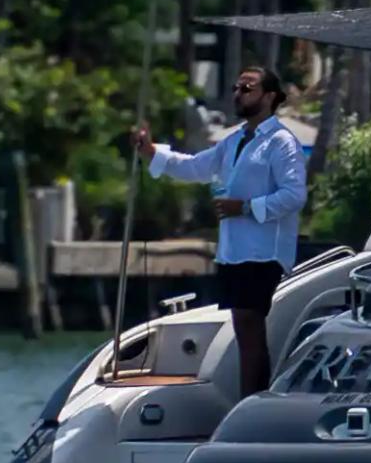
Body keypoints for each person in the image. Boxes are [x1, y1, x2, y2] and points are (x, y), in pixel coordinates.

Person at [126, 62, 310, 395]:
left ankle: (252, 405)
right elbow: (196, 166)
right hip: (233, 252)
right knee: (244, 329)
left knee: (250, 327)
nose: (238, 94)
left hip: (262, 252)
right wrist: (153, 153)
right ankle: (250, 402)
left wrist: (246, 208)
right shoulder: (234, 140)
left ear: (269, 97)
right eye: (236, 88)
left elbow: (294, 196)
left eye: (247, 88)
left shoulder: (283, 142)